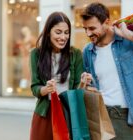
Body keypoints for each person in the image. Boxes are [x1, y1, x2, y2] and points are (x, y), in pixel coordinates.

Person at [80, 3, 133, 140]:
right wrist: (85, 82)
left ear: (106, 22)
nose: (88, 33)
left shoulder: (127, 42)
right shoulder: (88, 51)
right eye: (85, 29)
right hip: (99, 117)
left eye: (92, 28)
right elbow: (90, 87)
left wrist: (130, 35)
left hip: (125, 119)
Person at [29, 12, 83, 140]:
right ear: (48, 32)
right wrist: (46, 89)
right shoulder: (36, 54)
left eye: (66, 32)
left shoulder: (75, 54)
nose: (63, 37)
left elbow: (77, 89)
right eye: (58, 32)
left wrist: (84, 83)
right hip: (45, 114)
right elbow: (35, 87)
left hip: (68, 114)